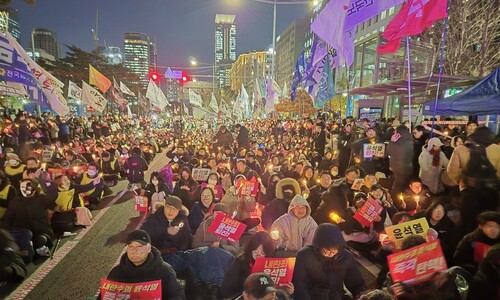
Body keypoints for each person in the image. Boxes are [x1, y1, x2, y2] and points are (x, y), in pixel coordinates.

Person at [99, 230, 185, 300]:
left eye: (139, 246)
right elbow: (104, 296)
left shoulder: (165, 271)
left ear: (149, 248)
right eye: (131, 246)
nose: (134, 250)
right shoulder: (116, 272)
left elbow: (177, 295)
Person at [447, 126, 500, 234]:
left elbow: (451, 171)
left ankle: (468, 243)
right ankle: (485, 242)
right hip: (490, 192)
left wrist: (461, 182)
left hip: (468, 191)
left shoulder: (460, 149)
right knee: (488, 219)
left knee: (468, 221)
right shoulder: (497, 150)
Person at [292, 223, 367, 299]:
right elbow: (299, 285)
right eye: (327, 250)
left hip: (336, 296)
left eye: (335, 250)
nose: (331, 253)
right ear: (318, 245)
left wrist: (361, 294)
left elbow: (356, 282)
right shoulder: (304, 255)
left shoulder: (345, 257)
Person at [141, 196, 192, 275]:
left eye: (174, 209)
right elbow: (143, 233)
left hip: (175, 255)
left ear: (179, 211)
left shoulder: (183, 220)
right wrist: (165, 230)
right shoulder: (155, 217)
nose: (171, 211)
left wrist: (179, 252)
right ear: (164, 206)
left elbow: (187, 239)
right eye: (168, 207)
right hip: (156, 255)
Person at [220, 231, 276, 299]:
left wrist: (286, 290)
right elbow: (226, 289)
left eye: (262, 253)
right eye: (255, 252)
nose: (258, 256)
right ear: (250, 250)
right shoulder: (240, 262)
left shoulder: (273, 263)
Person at [453, 211, 500, 275]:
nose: (493, 230)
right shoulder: (470, 240)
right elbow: (459, 261)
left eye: (497, 227)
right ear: (481, 226)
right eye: (489, 226)